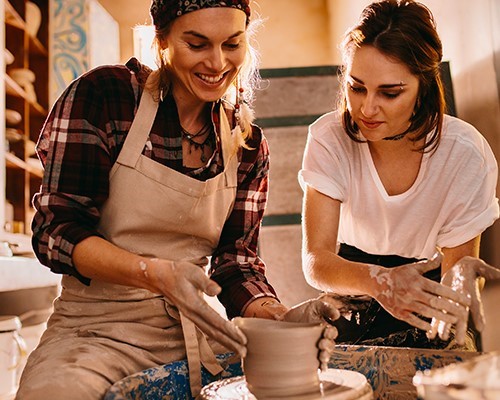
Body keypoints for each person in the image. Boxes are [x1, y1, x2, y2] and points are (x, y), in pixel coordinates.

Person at [16, 1, 339, 399]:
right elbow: (55, 232)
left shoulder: (247, 144)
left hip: (197, 334)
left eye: (232, 44)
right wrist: (155, 274)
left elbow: (235, 264)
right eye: (197, 44)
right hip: (94, 335)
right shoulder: (106, 96)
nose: (218, 62)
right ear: (162, 39)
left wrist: (282, 317)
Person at [299, 0, 500, 350]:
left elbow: (457, 271)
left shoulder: (465, 153)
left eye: (390, 93)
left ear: (423, 86)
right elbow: (316, 262)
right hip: (352, 288)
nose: (366, 107)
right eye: (356, 87)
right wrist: (380, 282)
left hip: (429, 293)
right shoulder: (329, 138)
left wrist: (459, 288)